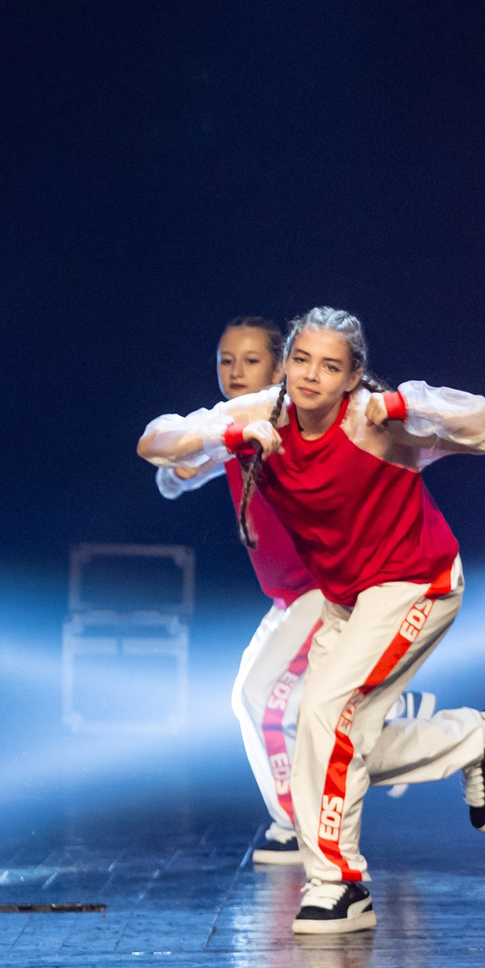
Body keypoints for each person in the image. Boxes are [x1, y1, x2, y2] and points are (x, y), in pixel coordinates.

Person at [138, 307, 485, 935]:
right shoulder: (262, 416)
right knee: (337, 738)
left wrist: (405, 407)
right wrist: (227, 440)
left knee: (320, 711)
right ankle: (477, 737)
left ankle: (339, 884)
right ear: (287, 364)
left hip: (415, 582)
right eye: (302, 361)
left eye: (331, 365)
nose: (313, 375)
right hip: (348, 599)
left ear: (353, 377)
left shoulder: (374, 422)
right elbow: (155, 441)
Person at [141, 316, 326, 865]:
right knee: (280, 708)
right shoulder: (233, 423)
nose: (236, 371)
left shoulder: (291, 416)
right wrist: (192, 462)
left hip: (324, 588)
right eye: (226, 360)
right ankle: (471, 738)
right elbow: (168, 467)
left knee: (261, 700)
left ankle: (297, 825)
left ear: (279, 365)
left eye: (250, 360)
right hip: (290, 598)